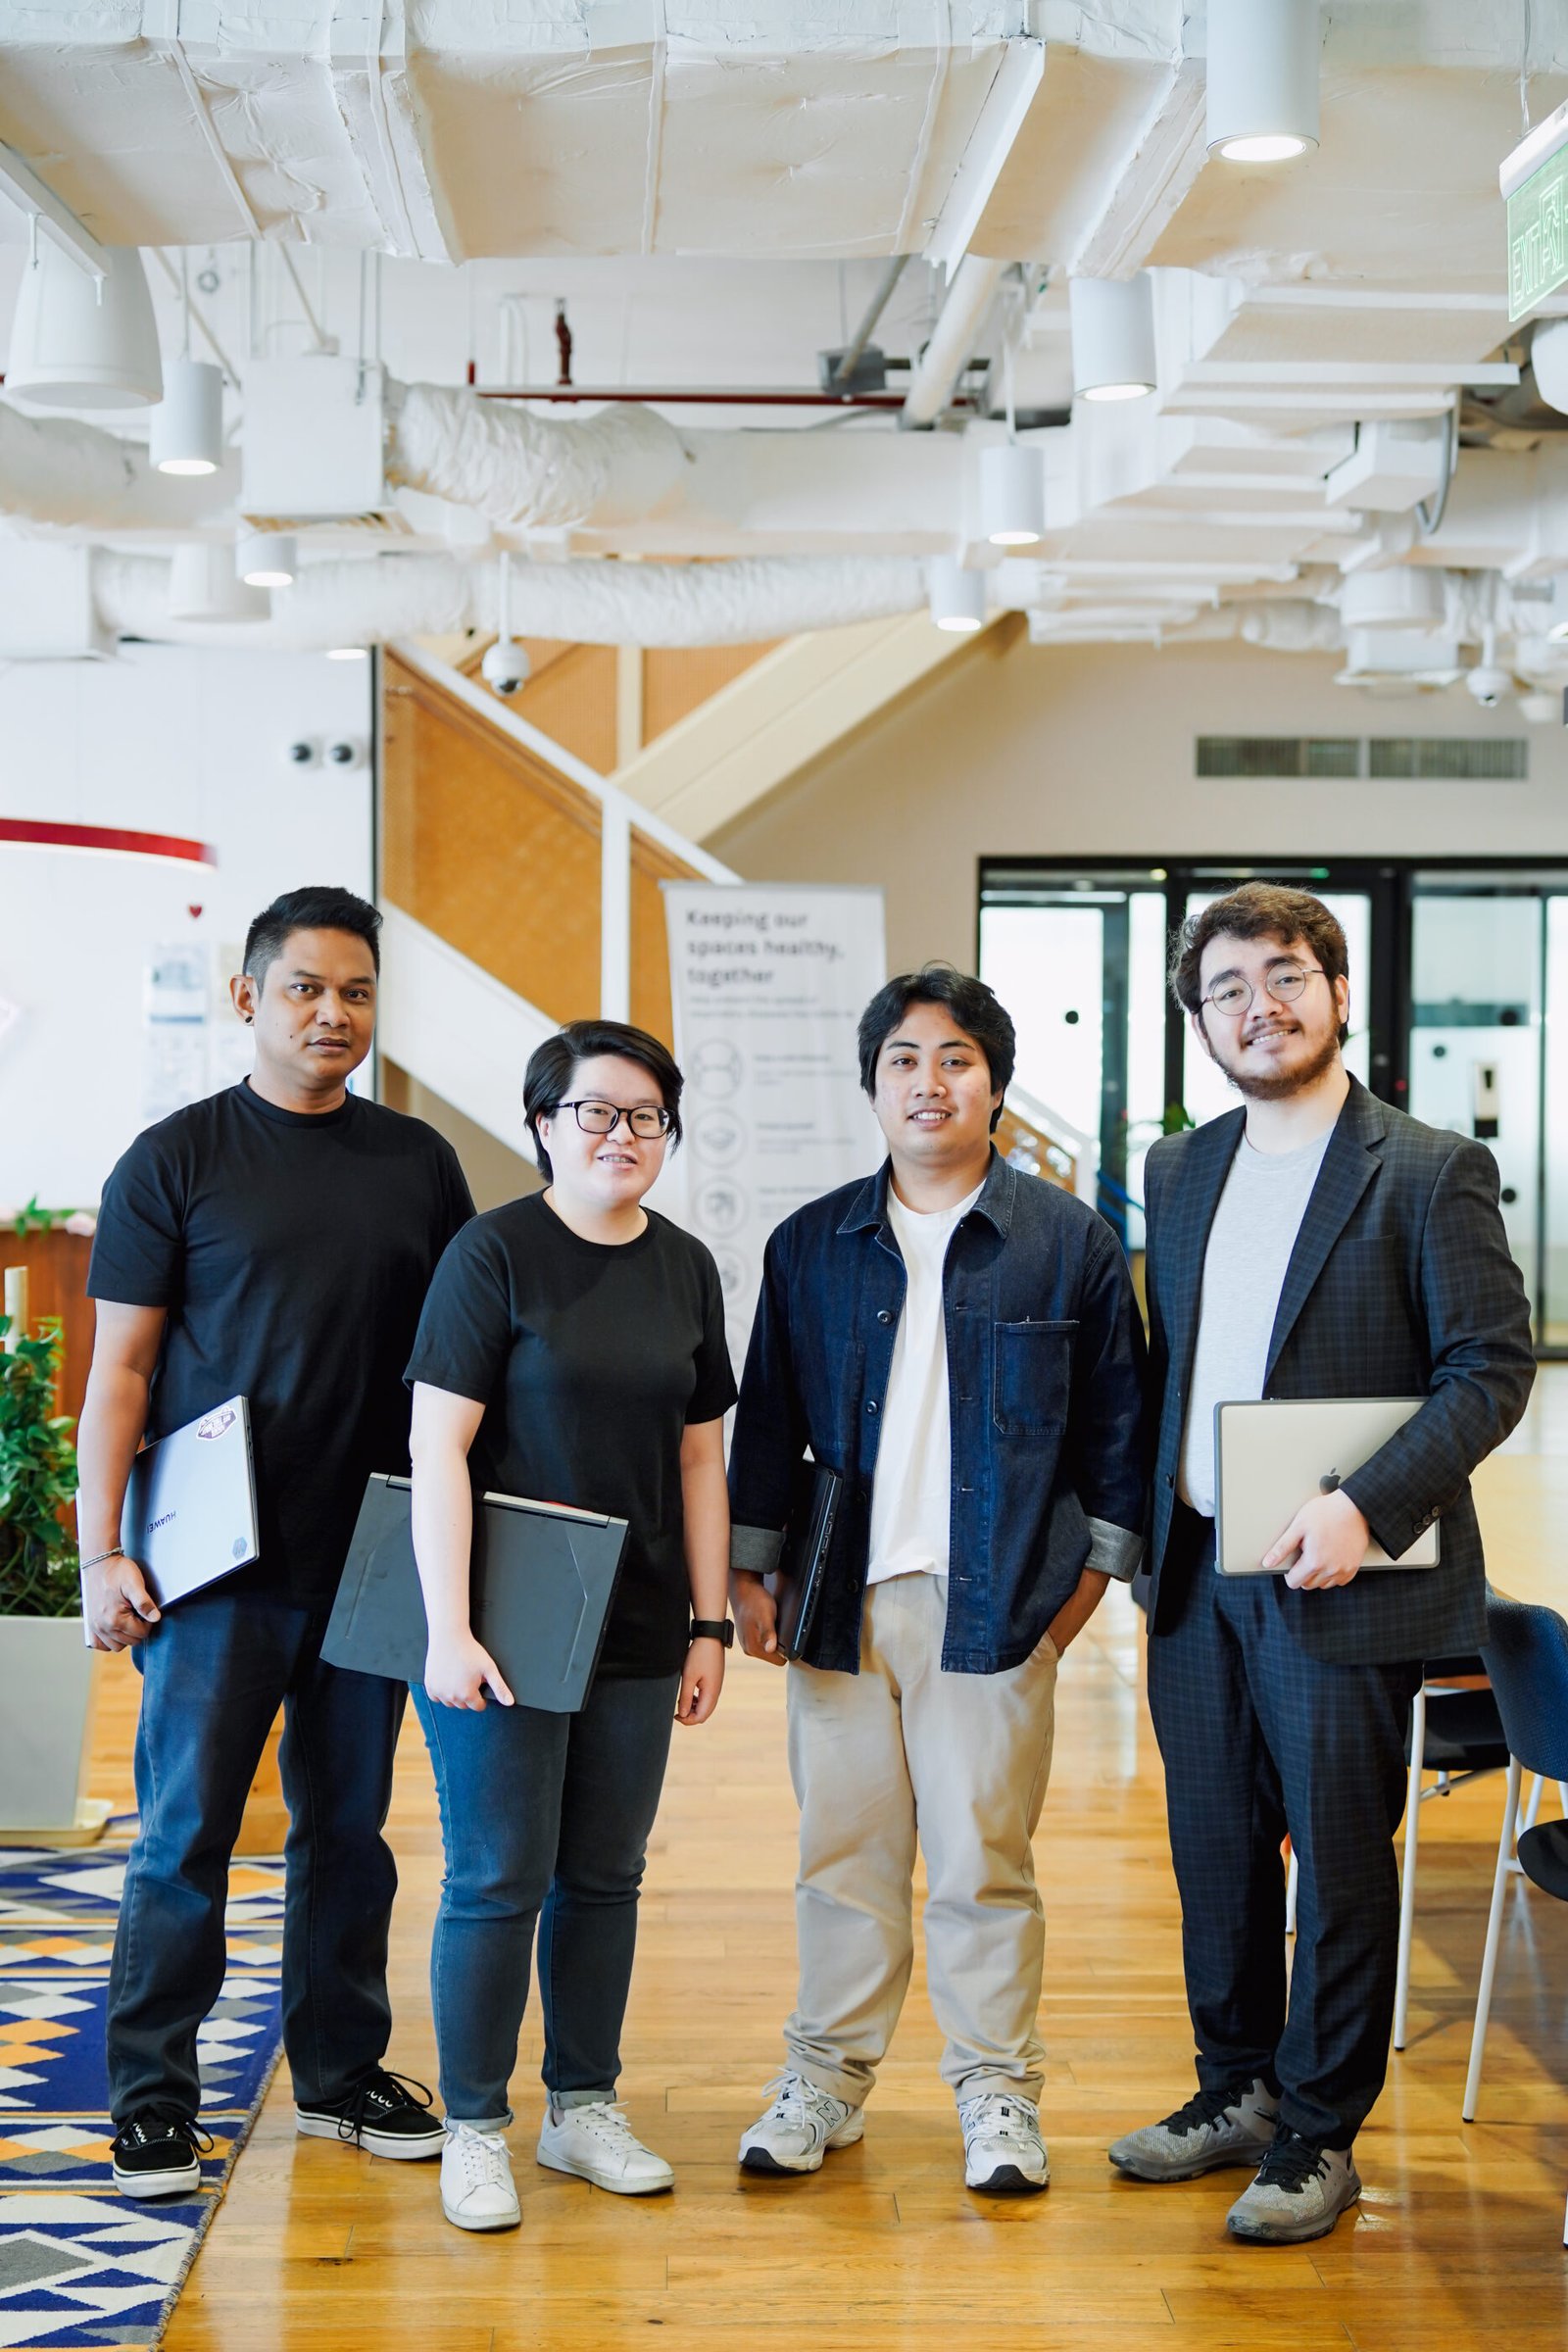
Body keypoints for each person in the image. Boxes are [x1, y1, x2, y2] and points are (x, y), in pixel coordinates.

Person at [1108, 882, 1535, 2244]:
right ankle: (1233, 2086)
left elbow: (1489, 1370)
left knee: (1339, 1862)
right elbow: (1171, 1365)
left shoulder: (1426, 1169)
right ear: (1200, 1021)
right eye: (1227, 988)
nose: (1259, 1006)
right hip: (1197, 1574)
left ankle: (1317, 2133)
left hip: (1340, 1573)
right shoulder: (1179, 1170)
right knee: (1216, 1851)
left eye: (1285, 975)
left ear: (1337, 993)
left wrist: (1366, 1507)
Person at [77, 885, 475, 2199]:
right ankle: (151, 2100)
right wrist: (101, 1550)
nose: (332, 1013)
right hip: (210, 1568)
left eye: (356, 991)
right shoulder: (174, 1159)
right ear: (249, 996)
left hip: (371, 1561)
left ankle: (340, 2075)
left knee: (348, 1833)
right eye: (305, 987)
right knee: (184, 1835)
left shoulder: (418, 1163)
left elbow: (457, 1368)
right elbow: (120, 1375)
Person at [728, 964, 1146, 2194]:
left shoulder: (1066, 1242)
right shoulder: (810, 1243)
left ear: (995, 1084)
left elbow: (1118, 1436)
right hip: (837, 1602)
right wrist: (750, 1572)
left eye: (956, 1058)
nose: (929, 1081)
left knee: (982, 1864)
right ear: (872, 1085)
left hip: (999, 1604)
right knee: (842, 1858)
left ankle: (997, 2096)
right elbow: (767, 1421)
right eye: (903, 1060)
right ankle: (824, 2081)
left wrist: (1075, 1602)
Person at [405, 1018, 736, 2233]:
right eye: (594, 1111)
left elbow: (700, 1460)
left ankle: (581, 2105)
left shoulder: (685, 1265)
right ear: (544, 1124)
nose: (620, 1134)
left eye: (645, 1115)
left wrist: (710, 1624)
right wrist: (449, 1629)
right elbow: (437, 1447)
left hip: (640, 1621)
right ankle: (473, 2125)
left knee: (604, 1876)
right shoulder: (491, 1254)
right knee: (498, 1875)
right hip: (503, 1622)